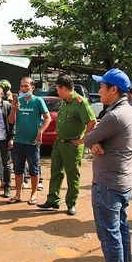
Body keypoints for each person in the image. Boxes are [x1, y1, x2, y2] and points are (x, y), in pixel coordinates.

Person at [82, 68, 132, 262]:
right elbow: (95, 142)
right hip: (121, 181)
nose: (100, 91)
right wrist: (96, 142)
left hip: (108, 183)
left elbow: (87, 139)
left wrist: (94, 141)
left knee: (109, 235)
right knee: (120, 231)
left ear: (113, 89)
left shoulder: (114, 116)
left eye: (102, 87)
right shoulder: (129, 111)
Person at [38, 75, 96, 215]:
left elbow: (92, 121)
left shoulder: (80, 102)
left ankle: (71, 203)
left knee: (72, 174)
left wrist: (84, 139)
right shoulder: (65, 101)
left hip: (72, 144)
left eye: (58, 89)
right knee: (56, 172)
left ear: (64, 88)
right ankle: (53, 200)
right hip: (59, 143)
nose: (57, 92)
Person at [7, 76, 51, 205]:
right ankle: (18, 194)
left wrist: (40, 132)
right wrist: (14, 110)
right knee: (18, 170)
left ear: (32, 88)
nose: (23, 88)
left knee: (33, 170)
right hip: (19, 141)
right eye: (21, 86)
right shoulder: (18, 101)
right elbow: (10, 121)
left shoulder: (38, 101)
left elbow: (47, 118)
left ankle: (33, 195)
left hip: (32, 142)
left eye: (26, 86)